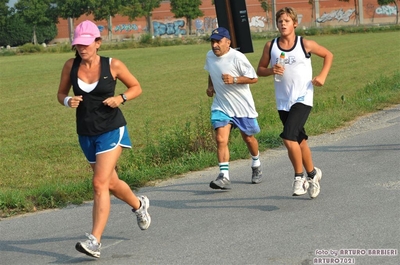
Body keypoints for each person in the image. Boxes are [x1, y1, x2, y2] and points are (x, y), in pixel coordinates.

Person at [56, 20, 151, 258]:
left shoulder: (113, 65)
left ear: (98, 43)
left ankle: (95, 241)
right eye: (78, 44)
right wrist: (68, 101)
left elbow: (136, 87)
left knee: (99, 183)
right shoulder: (70, 66)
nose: (82, 48)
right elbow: (60, 94)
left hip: (111, 129)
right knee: (110, 182)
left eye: (86, 44)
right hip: (86, 131)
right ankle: (139, 206)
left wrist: (121, 98)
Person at [256, 7, 333, 198]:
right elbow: (259, 69)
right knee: (299, 140)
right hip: (283, 101)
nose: (283, 24)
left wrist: (322, 76)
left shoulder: (304, 44)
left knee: (288, 136)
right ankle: (313, 174)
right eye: (280, 21)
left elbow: (328, 55)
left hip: (303, 97)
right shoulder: (270, 46)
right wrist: (271, 70)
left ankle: (299, 177)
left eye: (287, 21)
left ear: (295, 23)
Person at [204, 27, 262, 190]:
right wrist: (210, 86)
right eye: (212, 41)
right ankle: (224, 176)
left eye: (218, 41)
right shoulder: (209, 56)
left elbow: (254, 78)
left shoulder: (237, 57)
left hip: (242, 107)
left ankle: (256, 163)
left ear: (228, 42)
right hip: (221, 105)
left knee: (248, 138)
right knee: (221, 139)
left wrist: (235, 79)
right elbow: (211, 71)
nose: (214, 45)